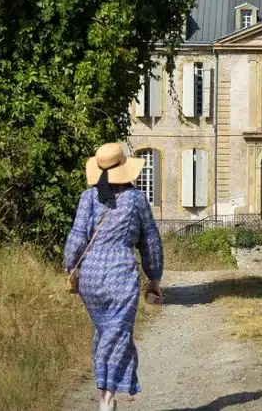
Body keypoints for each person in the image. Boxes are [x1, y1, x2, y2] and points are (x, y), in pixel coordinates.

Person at [64, 142, 164, 411]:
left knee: (105, 333)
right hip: (120, 276)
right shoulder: (136, 200)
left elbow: (76, 237)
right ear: (124, 168)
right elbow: (150, 240)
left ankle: (106, 392)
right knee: (117, 334)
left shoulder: (87, 198)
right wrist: (154, 278)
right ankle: (107, 398)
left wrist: (69, 267)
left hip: (91, 280)